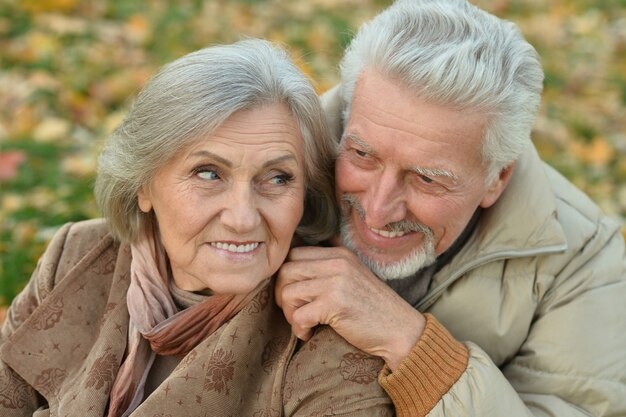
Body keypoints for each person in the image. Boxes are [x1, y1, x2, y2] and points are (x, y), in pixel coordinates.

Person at [0, 39, 393, 417]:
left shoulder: (324, 333)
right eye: (208, 173)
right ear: (144, 185)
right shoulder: (74, 256)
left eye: (277, 178)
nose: (242, 219)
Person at [275, 1, 626, 416]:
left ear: (496, 178)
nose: (377, 208)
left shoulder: (584, 263)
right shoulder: (257, 168)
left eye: (427, 179)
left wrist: (412, 347)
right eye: (362, 154)